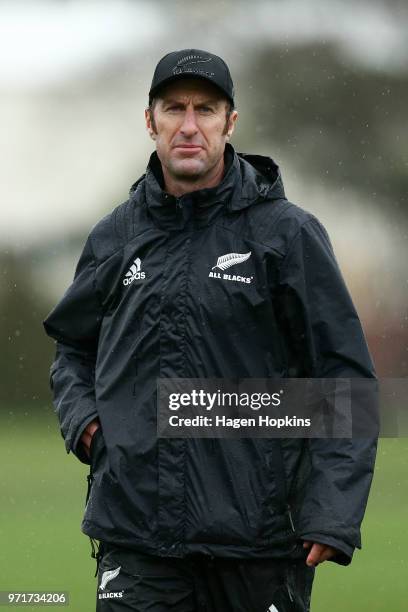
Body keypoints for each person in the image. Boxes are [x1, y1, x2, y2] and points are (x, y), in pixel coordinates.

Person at [43, 49, 378, 611]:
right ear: (150, 121)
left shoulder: (286, 235)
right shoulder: (115, 237)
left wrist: (332, 512)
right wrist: (90, 428)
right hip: (136, 539)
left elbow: (344, 384)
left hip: (260, 545)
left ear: (231, 122)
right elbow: (73, 349)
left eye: (207, 109)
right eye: (174, 108)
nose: (189, 125)